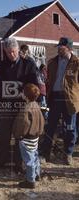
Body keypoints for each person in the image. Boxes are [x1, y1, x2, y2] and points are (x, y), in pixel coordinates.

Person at [0, 37, 38, 172]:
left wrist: (25, 96)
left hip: (22, 106)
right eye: (8, 52)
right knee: (4, 134)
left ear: (18, 50)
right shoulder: (2, 65)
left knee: (21, 135)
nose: (11, 55)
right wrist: (1, 103)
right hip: (6, 106)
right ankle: (1, 160)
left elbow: (34, 85)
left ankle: (20, 164)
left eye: (13, 52)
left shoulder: (28, 64)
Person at [41, 37, 79, 165]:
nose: (59, 50)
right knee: (50, 126)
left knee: (70, 128)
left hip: (70, 99)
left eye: (61, 48)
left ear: (68, 48)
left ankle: (67, 153)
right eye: (58, 47)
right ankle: (46, 153)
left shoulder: (77, 63)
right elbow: (49, 80)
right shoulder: (52, 62)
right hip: (55, 98)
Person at [12, 83, 44, 188]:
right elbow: (42, 121)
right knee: (35, 156)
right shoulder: (36, 106)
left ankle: (30, 181)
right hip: (35, 137)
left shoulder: (26, 109)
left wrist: (18, 135)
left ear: (25, 95)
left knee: (29, 160)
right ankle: (36, 174)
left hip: (26, 139)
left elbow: (23, 124)